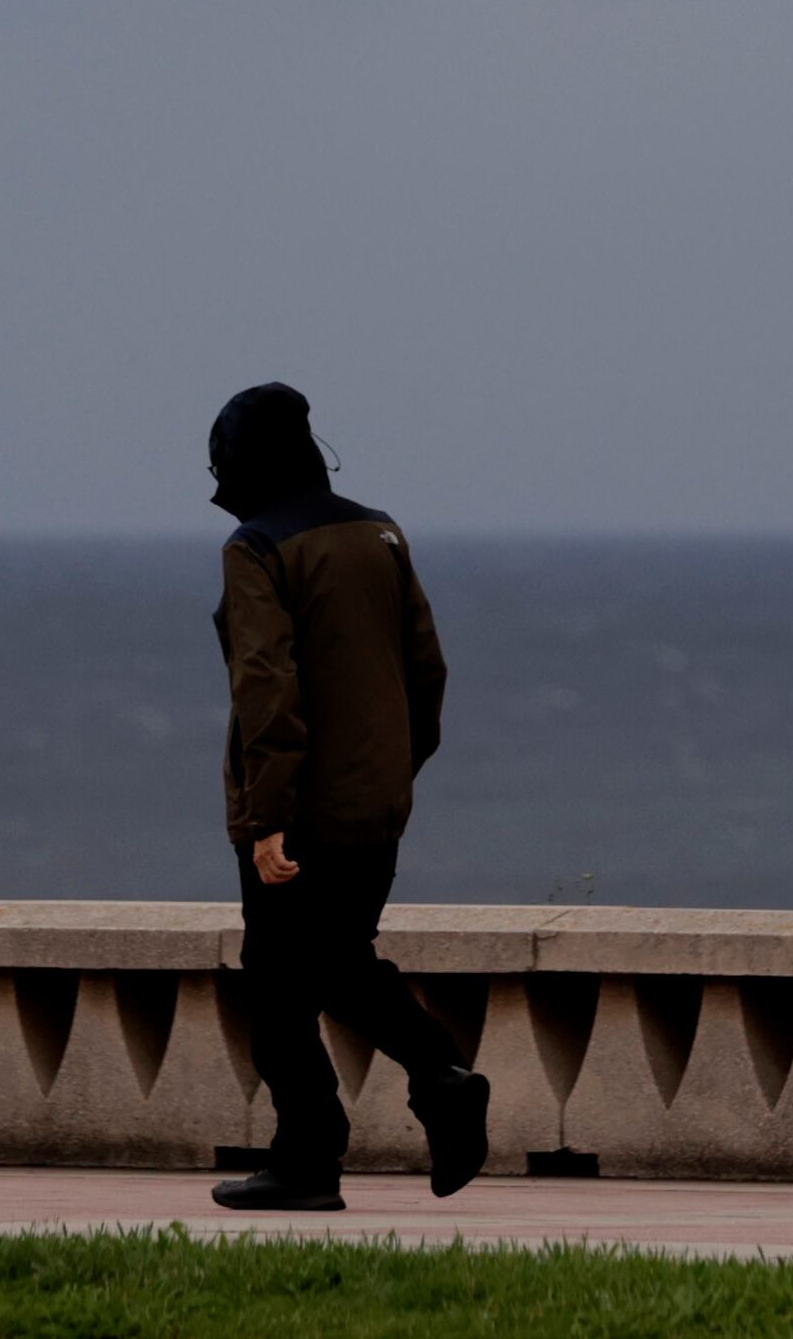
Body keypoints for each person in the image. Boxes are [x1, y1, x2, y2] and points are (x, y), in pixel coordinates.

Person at [205, 380, 489, 1207]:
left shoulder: (256, 548)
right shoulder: (380, 532)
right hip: (376, 801)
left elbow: (266, 687)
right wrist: (395, 767)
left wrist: (267, 818)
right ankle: (420, 1091)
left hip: (297, 809)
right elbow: (426, 668)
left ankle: (321, 1152)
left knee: (278, 983)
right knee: (334, 963)